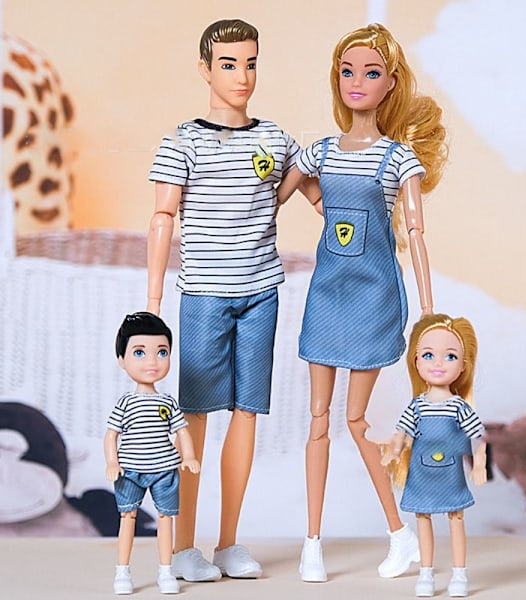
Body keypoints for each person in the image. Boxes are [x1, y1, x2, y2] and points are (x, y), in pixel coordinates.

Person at [146, 18, 320, 582]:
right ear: (205, 69)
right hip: (204, 294)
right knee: (193, 416)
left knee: (247, 413)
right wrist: (152, 305)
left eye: (250, 63)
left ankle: (227, 542)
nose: (241, 76)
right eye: (228, 64)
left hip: (261, 291)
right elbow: (162, 217)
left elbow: (317, 195)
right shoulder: (183, 141)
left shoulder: (275, 138)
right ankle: (183, 546)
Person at [276, 23, 447, 582]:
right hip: (327, 294)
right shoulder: (321, 151)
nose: (356, 82)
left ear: (390, 83)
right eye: (347, 71)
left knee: (355, 420)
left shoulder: (399, 159)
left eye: (370, 73)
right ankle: (312, 544)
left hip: (374, 296)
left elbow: (416, 234)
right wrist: (314, 198)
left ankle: (400, 533)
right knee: (317, 420)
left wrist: (429, 311)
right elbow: (279, 192)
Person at [382, 314, 487, 597]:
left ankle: (459, 574)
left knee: (456, 518)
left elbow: (478, 436)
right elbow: (402, 433)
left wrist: (479, 463)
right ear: (416, 361)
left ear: (463, 366)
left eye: (450, 356)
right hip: (421, 473)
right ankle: (425, 573)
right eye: (428, 355)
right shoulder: (416, 406)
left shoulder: (459, 407)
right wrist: (393, 451)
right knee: (423, 518)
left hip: (450, 473)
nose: (438, 363)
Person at [104, 312, 200, 595]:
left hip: (164, 470)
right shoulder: (125, 403)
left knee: (165, 518)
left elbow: (181, 431)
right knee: (127, 517)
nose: (152, 362)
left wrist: (189, 456)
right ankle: (122, 572)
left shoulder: (168, 402)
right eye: (139, 352)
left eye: (161, 352)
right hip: (130, 470)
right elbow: (111, 435)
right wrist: (112, 461)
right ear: (122, 360)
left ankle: (166, 572)